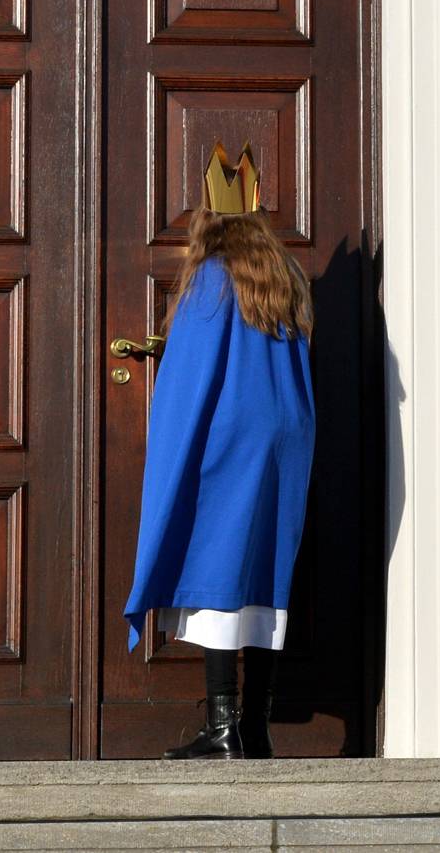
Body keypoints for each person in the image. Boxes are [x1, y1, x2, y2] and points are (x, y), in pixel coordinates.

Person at [123, 145, 316, 760]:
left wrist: (170, 448)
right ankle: (253, 729)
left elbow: (189, 377)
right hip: (283, 439)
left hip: (228, 441)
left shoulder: (211, 278)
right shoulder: (284, 280)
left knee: (216, 566)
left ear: (210, 221)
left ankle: (226, 730)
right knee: (262, 571)